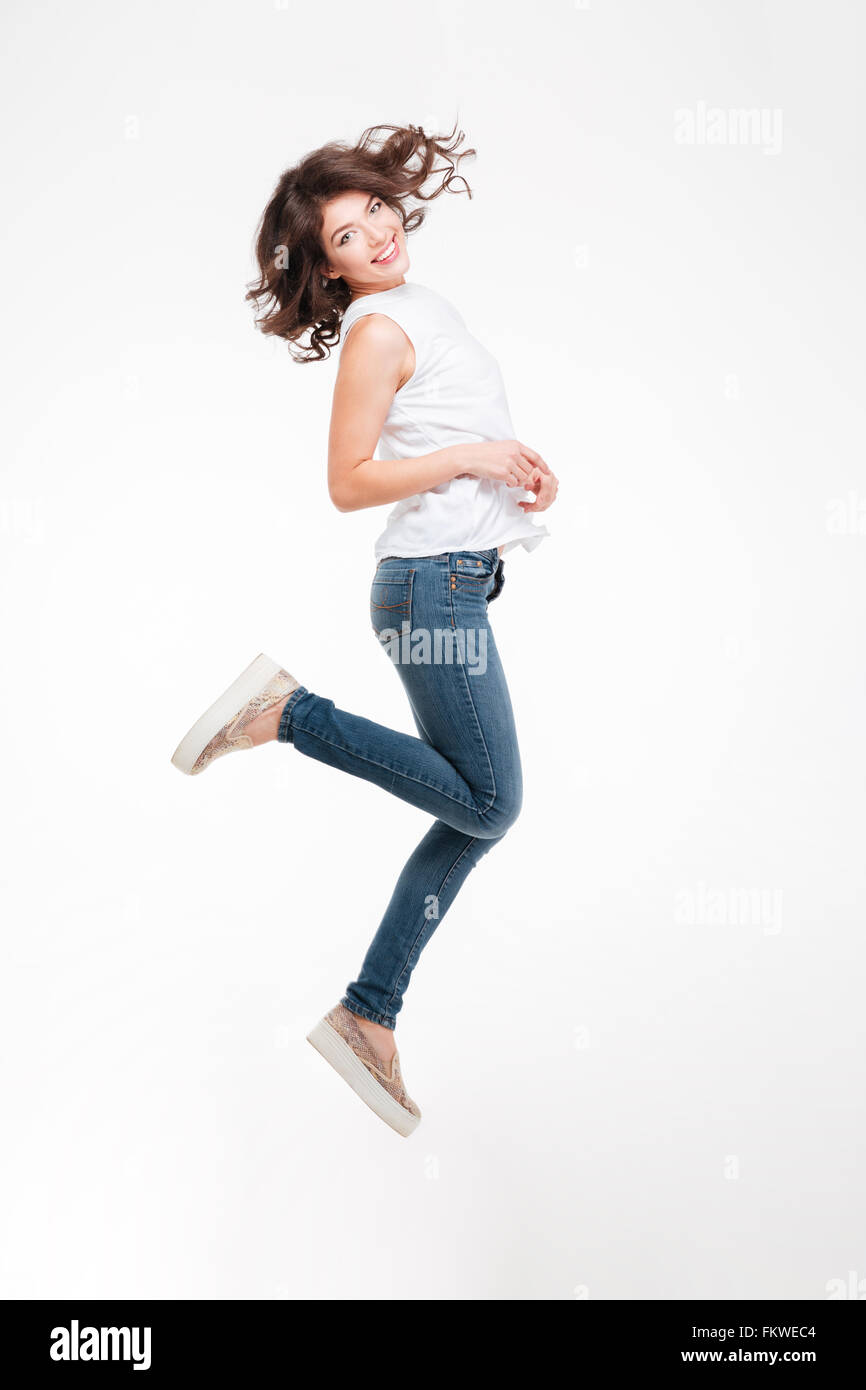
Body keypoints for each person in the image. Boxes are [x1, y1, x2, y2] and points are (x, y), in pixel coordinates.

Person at [170, 122, 559, 1138]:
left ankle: (366, 1015)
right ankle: (287, 713)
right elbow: (348, 483)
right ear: (328, 268)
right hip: (428, 591)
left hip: (453, 582)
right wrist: (473, 454)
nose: (376, 232)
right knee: (490, 800)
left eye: (372, 210)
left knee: (480, 810)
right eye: (345, 236)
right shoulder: (376, 329)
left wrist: (510, 471)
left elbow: (446, 443)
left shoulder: (415, 307)